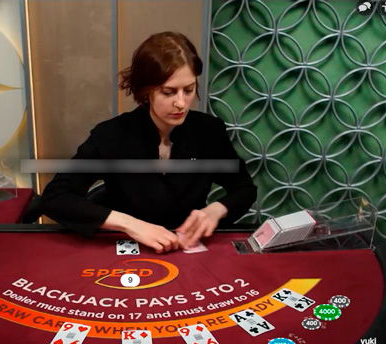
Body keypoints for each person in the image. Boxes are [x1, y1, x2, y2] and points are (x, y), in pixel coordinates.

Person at [40, 31, 256, 253]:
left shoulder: (208, 132)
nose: (181, 103)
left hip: (187, 248)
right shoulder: (111, 136)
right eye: (169, 92)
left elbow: (245, 189)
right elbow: (56, 196)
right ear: (146, 92)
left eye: (189, 90)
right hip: (128, 250)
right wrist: (130, 225)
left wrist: (217, 210)